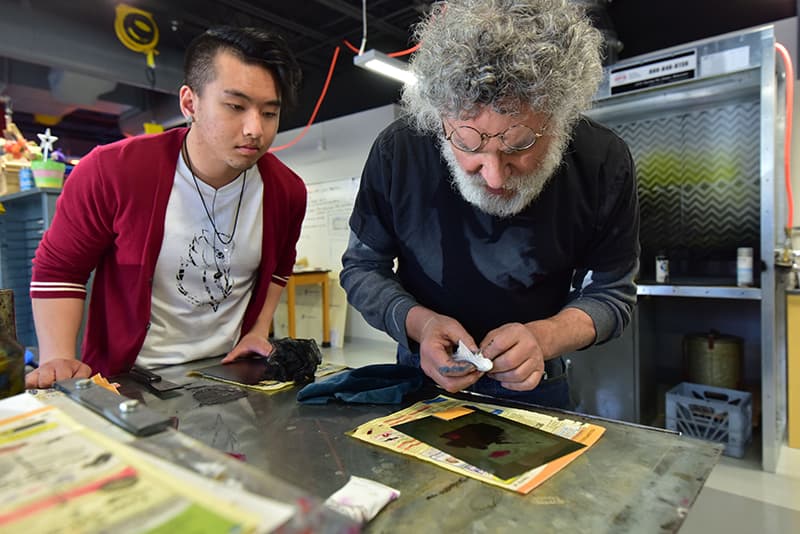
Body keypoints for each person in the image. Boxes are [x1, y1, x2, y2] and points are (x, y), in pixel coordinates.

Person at [340, 0, 640, 408]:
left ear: (561, 119)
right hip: (421, 376)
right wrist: (422, 324)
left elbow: (613, 294)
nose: (495, 177)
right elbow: (361, 268)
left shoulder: (602, 162)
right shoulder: (399, 153)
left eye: (520, 145)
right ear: (438, 118)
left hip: (539, 382)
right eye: (467, 144)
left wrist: (542, 338)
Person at [25, 26, 306, 388]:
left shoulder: (287, 192)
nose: (255, 129)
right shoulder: (113, 171)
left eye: (269, 113)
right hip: (129, 378)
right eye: (235, 106)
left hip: (228, 376)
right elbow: (60, 269)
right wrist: (58, 357)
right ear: (190, 103)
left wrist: (257, 329)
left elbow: (280, 268)